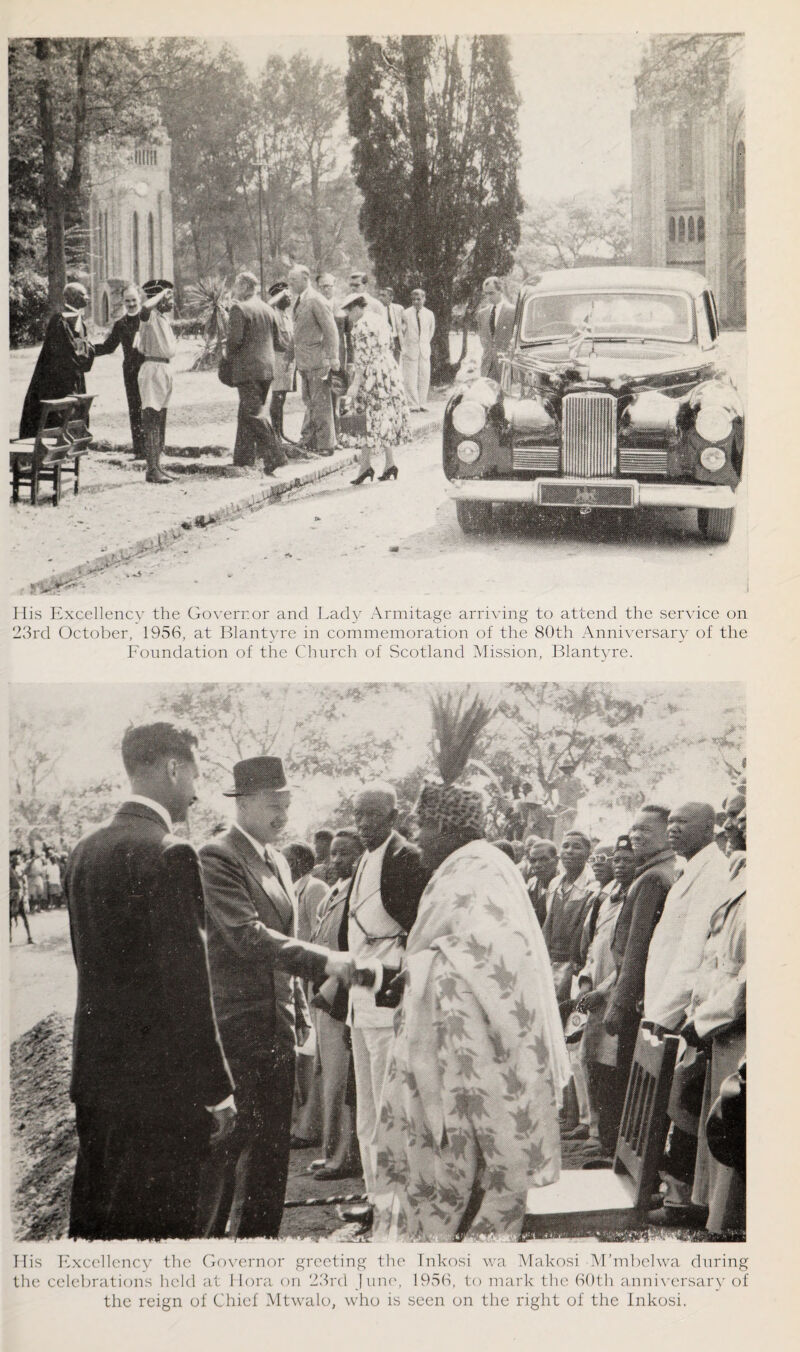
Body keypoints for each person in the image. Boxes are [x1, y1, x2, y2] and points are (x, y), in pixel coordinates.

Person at [371, 765, 570, 1240]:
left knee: (456, 1172)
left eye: (421, 828)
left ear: (444, 828)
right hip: (466, 1044)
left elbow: (493, 956)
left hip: (484, 1053)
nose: (415, 841)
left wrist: (417, 971)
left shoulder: (476, 870)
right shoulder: (470, 865)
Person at [64, 723, 235, 1240]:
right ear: (172, 767)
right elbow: (188, 989)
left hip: (97, 1078)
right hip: (159, 1091)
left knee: (102, 1229)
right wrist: (217, 1090)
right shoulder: (169, 852)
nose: (197, 790)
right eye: (196, 775)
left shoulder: (84, 850)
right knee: (163, 1239)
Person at [198, 757, 357, 1238]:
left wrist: (298, 1012)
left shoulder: (278, 859)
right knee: (227, 1154)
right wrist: (325, 960)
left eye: (287, 803)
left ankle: (259, 1251)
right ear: (243, 803)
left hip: (277, 1026)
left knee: (270, 1153)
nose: (283, 814)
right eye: (274, 804)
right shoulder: (217, 856)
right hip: (238, 1027)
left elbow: (282, 939)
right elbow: (246, 936)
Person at [337, 782, 429, 1233]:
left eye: (372, 815)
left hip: (388, 994)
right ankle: (376, 1199)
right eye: (358, 815)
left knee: (391, 1106)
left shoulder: (406, 858)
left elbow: (419, 929)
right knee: (367, 1110)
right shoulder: (362, 860)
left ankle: (398, 1205)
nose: (363, 824)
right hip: (359, 995)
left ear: (394, 815)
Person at [688, 815, 746, 1233]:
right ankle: (716, 1219)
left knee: (738, 1129)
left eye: (743, 820)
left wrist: (705, 1018)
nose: (733, 826)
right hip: (720, 1019)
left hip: (738, 1022)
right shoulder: (741, 871)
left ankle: (729, 1228)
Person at [603, 806, 678, 1083]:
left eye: (645, 829)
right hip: (648, 994)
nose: (635, 835)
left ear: (665, 834)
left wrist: (619, 1004)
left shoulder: (652, 878)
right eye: (634, 828)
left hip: (637, 997)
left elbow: (637, 947)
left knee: (629, 1080)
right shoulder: (661, 870)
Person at [308, 829, 364, 1180]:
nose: (337, 860)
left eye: (345, 853)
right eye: (334, 854)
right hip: (323, 993)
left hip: (341, 995)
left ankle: (344, 1156)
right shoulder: (333, 891)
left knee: (342, 1082)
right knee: (329, 1077)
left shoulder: (356, 893)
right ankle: (331, 1151)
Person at [575, 836, 637, 1153]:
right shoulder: (606, 897)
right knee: (592, 1063)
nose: (620, 865)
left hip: (613, 994)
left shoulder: (636, 897)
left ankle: (610, 1142)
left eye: (627, 859)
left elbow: (628, 958)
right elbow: (594, 946)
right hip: (595, 996)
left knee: (613, 1069)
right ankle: (597, 1134)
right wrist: (586, 980)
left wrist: (603, 990)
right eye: (617, 860)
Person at [284, 841, 330, 1150]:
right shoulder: (292, 888)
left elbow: (318, 937)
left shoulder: (314, 888)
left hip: (313, 980)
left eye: (288, 859)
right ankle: (304, 1123)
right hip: (298, 979)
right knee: (305, 1056)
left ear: (302, 862)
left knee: (314, 1055)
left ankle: (309, 1128)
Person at [340, 293, 411, 484]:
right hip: (387, 371)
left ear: (356, 308)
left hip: (371, 375)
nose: (348, 316)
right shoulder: (379, 320)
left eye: (348, 312)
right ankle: (388, 463)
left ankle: (367, 466)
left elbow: (363, 359)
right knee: (383, 416)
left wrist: (355, 384)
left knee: (366, 418)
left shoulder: (360, 328)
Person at [19, 282, 95, 439]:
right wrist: (86, 355)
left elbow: (83, 351)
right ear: (72, 297)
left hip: (73, 379)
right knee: (55, 419)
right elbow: (67, 354)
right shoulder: (59, 322)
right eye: (83, 294)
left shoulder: (79, 321)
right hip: (56, 382)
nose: (87, 297)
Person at [226, 270, 280, 470]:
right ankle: (243, 458)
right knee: (246, 412)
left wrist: (226, 357)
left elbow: (234, 341)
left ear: (243, 287)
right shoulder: (268, 309)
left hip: (247, 370)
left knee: (253, 414)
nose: (234, 289)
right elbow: (278, 340)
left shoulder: (239, 309)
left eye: (236, 285)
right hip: (267, 369)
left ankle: (275, 455)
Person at [289, 265, 341, 456]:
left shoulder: (316, 300)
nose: (290, 284)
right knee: (310, 402)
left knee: (321, 404)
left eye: (293, 280)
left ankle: (326, 445)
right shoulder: (301, 300)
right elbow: (298, 333)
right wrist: (289, 356)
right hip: (305, 362)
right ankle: (310, 440)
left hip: (318, 361)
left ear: (305, 278)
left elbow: (331, 330)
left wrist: (333, 357)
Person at [93, 283, 145, 457]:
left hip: (148, 370)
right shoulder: (120, 324)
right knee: (134, 408)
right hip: (130, 372)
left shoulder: (147, 319)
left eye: (134, 300)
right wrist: (86, 350)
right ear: (123, 302)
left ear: (140, 299)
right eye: (127, 301)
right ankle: (139, 451)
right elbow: (108, 347)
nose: (131, 304)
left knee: (150, 409)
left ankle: (154, 449)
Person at [135, 279, 178, 485]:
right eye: (168, 298)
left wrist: (165, 295)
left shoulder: (162, 318)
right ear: (158, 299)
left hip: (165, 368)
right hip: (153, 369)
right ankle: (151, 469)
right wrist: (161, 294)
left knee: (161, 419)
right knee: (151, 418)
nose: (171, 302)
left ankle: (158, 466)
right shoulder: (149, 316)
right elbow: (144, 308)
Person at [266, 281, 300, 452]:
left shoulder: (287, 315)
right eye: (285, 296)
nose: (289, 299)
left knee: (283, 398)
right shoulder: (273, 314)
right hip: (279, 359)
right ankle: (275, 433)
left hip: (289, 360)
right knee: (277, 397)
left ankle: (281, 431)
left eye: (289, 296)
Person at [400, 288, 435, 411]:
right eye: (413, 299)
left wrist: (424, 344)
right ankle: (413, 404)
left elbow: (431, 331)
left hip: (424, 350)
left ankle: (422, 403)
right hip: (410, 350)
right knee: (410, 378)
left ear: (424, 299)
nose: (416, 302)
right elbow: (403, 332)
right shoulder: (405, 313)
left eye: (419, 299)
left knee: (424, 376)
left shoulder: (429, 314)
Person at [477, 276, 515, 380]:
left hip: (506, 365)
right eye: (486, 294)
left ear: (500, 290)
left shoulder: (513, 311)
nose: (488, 297)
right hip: (487, 367)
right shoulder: (482, 314)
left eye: (491, 293)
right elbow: (483, 339)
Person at [377, 286, 403, 361]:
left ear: (391, 297)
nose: (380, 298)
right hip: (384, 340)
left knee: (396, 363)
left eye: (383, 295)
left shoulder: (399, 309)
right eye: (380, 295)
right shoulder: (377, 310)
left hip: (396, 340)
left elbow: (405, 324)